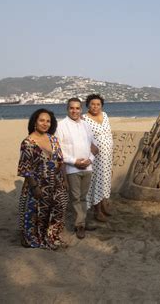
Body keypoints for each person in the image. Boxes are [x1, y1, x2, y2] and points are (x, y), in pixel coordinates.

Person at [17, 108, 69, 250]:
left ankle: (52, 237)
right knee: (37, 214)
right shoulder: (27, 143)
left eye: (48, 121)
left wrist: (64, 181)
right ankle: (35, 238)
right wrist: (34, 187)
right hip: (37, 185)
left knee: (59, 209)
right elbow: (25, 169)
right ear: (35, 122)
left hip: (57, 183)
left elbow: (61, 162)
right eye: (42, 120)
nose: (45, 123)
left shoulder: (53, 139)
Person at [56, 98, 98, 239]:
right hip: (72, 168)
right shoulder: (60, 126)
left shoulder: (86, 125)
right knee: (75, 197)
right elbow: (59, 151)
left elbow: (94, 147)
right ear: (67, 109)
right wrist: (75, 162)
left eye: (77, 108)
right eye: (72, 108)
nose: (75, 111)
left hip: (88, 167)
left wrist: (89, 160)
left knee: (83, 197)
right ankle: (79, 225)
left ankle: (82, 221)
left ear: (81, 110)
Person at [82, 94, 113, 222]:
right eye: (93, 104)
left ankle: (104, 204)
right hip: (95, 157)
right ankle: (97, 210)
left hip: (108, 155)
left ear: (101, 106)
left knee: (106, 179)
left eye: (98, 104)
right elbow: (82, 137)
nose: (95, 107)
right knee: (96, 182)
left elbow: (109, 133)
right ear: (88, 105)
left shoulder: (105, 115)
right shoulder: (84, 119)